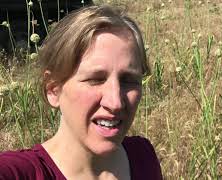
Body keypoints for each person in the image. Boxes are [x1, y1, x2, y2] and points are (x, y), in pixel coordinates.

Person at [0, 5, 162, 180]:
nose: (115, 102)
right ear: (53, 90)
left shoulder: (142, 156)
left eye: (128, 80)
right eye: (95, 79)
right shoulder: (17, 173)